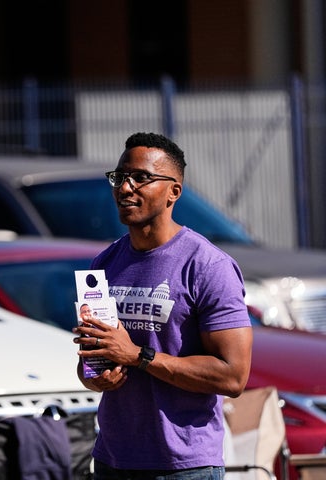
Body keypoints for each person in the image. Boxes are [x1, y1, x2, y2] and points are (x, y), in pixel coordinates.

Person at [73, 132, 253, 480]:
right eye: (120, 177)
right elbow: (89, 365)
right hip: (113, 459)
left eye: (141, 178)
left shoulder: (207, 266)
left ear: (174, 191)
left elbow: (233, 375)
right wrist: (96, 377)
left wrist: (139, 356)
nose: (125, 188)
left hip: (183, 466)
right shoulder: (105, 263)